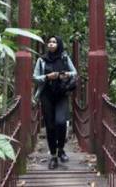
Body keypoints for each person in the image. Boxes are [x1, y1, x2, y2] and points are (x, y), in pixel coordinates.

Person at [33, 35, 77, 170]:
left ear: (59, 44)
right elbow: (35, 77)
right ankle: (53, 156)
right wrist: (47, 76)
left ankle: (61, 149)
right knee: (50, 127)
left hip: (61, 94)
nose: (51, 44)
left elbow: (74, 72)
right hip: (46, 95)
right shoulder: (41, 60)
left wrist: (66, 75)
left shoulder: (64, 57)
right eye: (49, 42)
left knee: (60, 122)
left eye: (54, 42)